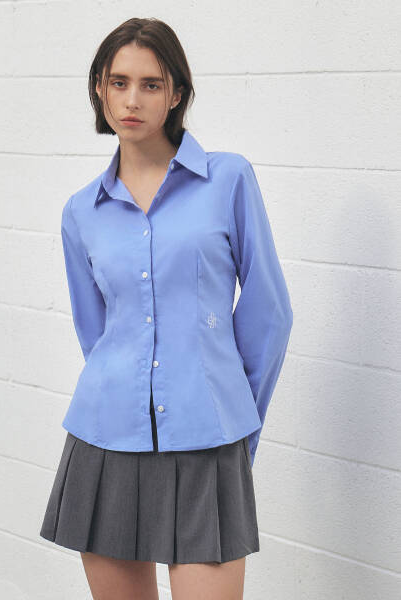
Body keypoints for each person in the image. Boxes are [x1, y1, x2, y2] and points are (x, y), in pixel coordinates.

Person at [40, 17, 293, 600]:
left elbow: (269, 314)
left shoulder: (228, 179)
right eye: (119, 82)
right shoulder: (81, 211)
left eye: (151, 84)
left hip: (207, 438)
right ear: (100, 90)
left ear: (176, 93)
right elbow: (96, 333)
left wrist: (237, 424)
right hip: (105, 439)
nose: (133, 100)